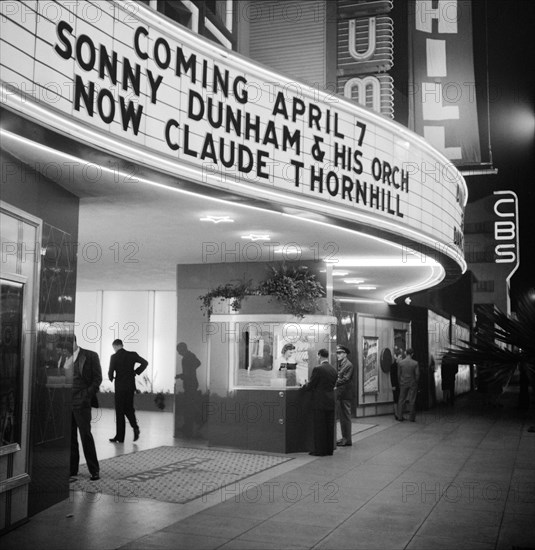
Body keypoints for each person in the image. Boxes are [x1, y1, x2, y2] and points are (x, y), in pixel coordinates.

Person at [70, 336, 102, 481]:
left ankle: (94, 470)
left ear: (75, 342)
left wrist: (86, 396)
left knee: (85, 436)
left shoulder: (90, 355)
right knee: (70, 438)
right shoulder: (63, 357)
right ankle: (72, 469)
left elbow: (97, 379)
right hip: (67, 403)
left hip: (82, 402)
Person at [108, 339, 148, 443]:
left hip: (120, 386)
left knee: (120, 411)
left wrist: (111, 378)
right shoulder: (132, 354)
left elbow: (110, 371)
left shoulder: (114, 357)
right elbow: (145, 363)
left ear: (116, 346)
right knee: (129, 408)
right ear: (122, 345)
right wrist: (135, 372)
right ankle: (135, 427)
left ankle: (120, 437)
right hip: (130, 386)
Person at [301, 349, 338, 456]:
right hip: (330, 401)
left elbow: (312, 384)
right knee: (329, 426)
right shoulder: (333, 369)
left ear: (319, 355)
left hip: (320, 401)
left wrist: (304, 386)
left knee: (320, 426)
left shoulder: (318, 369)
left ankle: (320, 450)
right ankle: (329, 449)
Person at [175, 342, 202, 438]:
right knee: (190, 405)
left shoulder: (187, 358)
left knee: (189, 406)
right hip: (191, 383)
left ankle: (192, 424)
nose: (178, 353)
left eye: (179, 351)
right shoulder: (190, 356)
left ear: (182, 349)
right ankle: (190, 425)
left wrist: (183, 375)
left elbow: (188, 372)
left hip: (190, 384)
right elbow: (198, 363)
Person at [334, 345, 354, 446]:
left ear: (345, 354)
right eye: (337, 353)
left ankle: (347, 439)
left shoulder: (348, 364)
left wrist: (334, 382)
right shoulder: (341, 364)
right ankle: (344, 438)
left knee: (346, 417)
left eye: (340, 353)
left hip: (345, 394)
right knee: (342, 418)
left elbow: (346, 379)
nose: (338, 355)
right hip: (341, 394)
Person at [396, 348, 420, 422]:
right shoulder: (415, 363)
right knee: (412, 400)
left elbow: (398, 374)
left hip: (403, 383)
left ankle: (400, 416)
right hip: (412, 383)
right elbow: (417, 374)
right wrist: (416, 382)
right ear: (412, 354)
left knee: (401, 400)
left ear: (406, 353)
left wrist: (400, 382)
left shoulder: (401, 363)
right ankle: (411, 418)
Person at [390, 353, 401, 419]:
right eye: (400, 357)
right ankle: (396, 413)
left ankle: (399, 414)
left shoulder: (400, 365)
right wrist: (393, 385)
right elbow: (392, 376)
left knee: (399, 399)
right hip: (395, 385)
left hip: (400, 384)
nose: (401, 359)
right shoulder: (393, 366)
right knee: (396, 399)